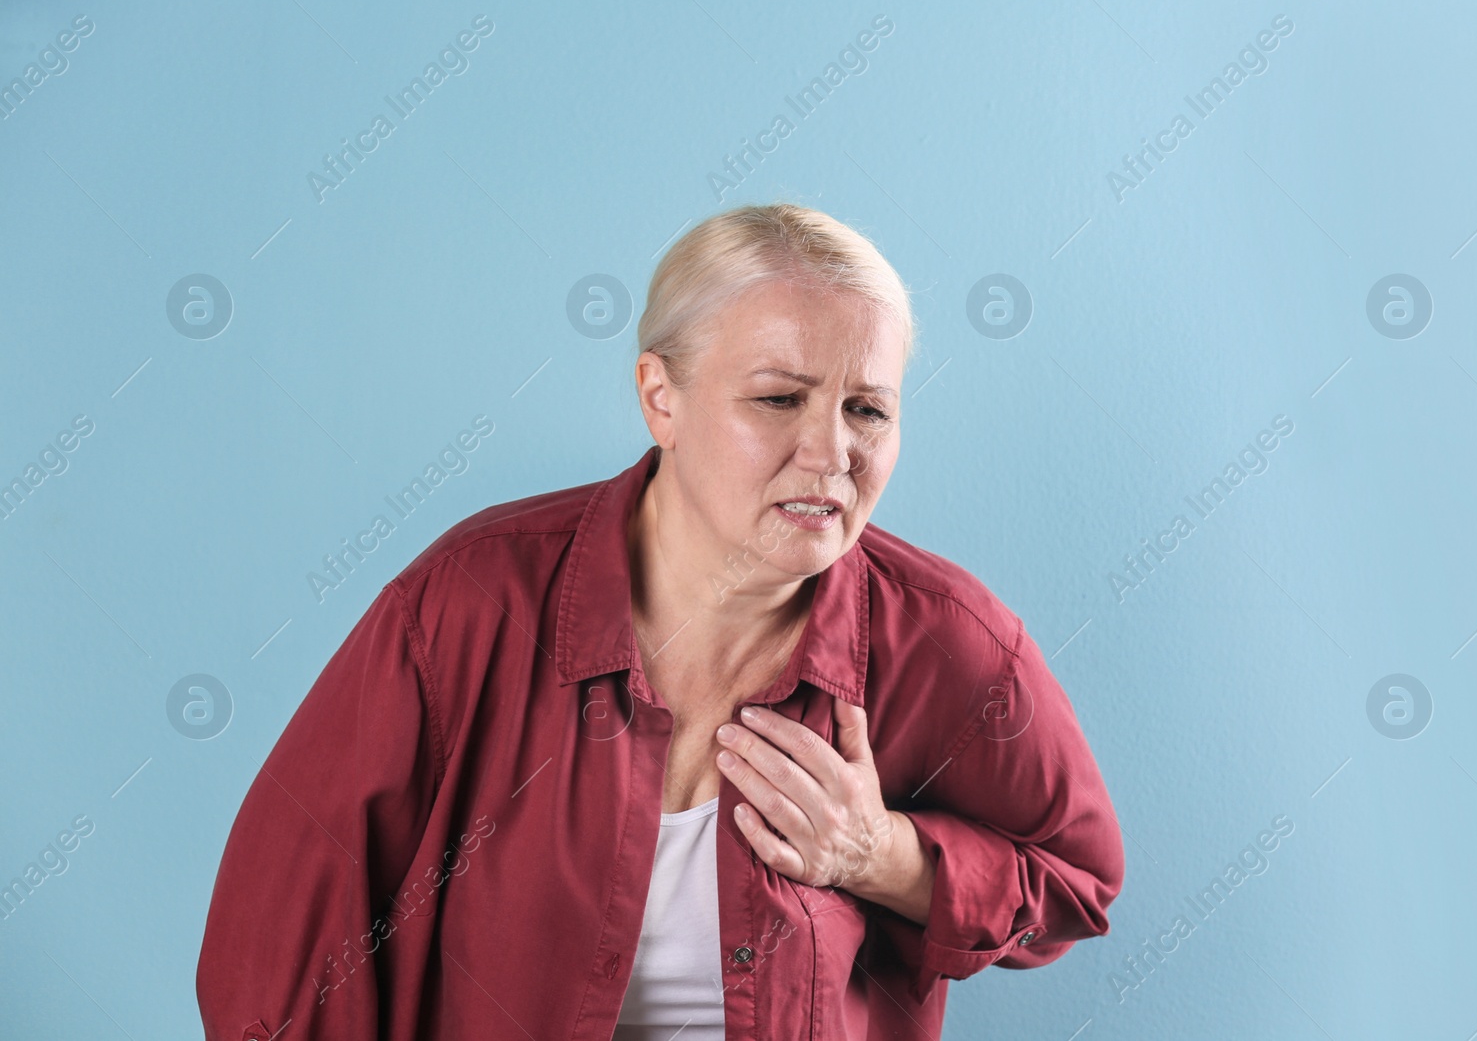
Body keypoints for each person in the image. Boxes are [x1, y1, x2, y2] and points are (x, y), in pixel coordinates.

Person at [195, 203, 1124, 1040]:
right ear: (660, 397)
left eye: (867, 409)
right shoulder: (467, 605)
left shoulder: (950, 641)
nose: (832, 452)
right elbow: (277, 939)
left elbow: (1077, 883)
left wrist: (880, 855)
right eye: (778, 398)